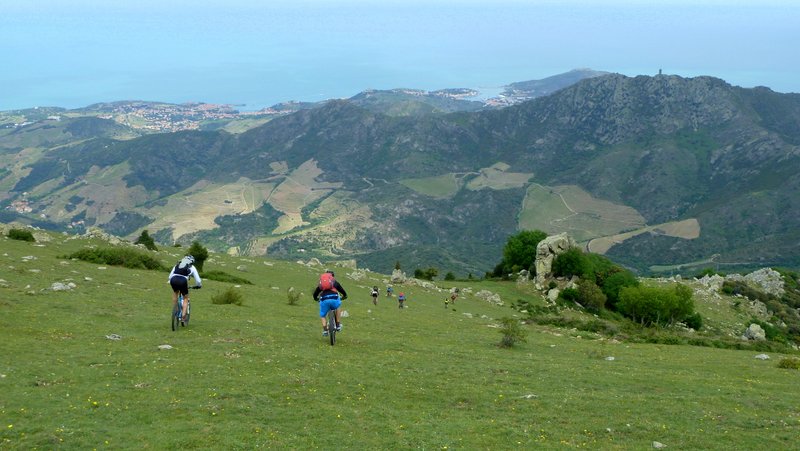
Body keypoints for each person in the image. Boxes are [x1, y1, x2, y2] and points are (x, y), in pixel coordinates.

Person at [313, 270, 348, 337]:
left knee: (323, 315)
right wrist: (344, 296)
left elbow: (315, 293)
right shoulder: (334, 282)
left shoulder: (322, 284)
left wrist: (316, 298)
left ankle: (325, 330)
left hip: (324, 299)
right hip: (334, 298)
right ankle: (338, 325)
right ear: (332, 276)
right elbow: (342, 290)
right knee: (338, 306)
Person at [168, 255, 202, 322]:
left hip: (173, 279)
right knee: (185, 297)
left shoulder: (178, 264)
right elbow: (198, 280)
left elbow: (170, 277)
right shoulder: (192, 267)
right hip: (183, 281)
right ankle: (183, 316)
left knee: (175, 292)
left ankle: (175, 309)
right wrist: (198, 285)